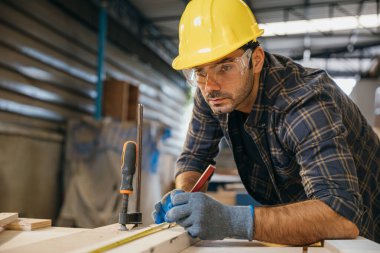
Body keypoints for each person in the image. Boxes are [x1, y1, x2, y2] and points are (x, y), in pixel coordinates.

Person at [153, 0, 380, 245]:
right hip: (305, 228)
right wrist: (184, 198)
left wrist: (231, 220)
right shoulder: (212, 92)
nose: (210, 86)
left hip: (364, 237)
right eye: (199, 72)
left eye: (225, 67)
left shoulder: (305, 103)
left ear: (257, 59)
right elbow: (194, 159)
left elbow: (341, 216)